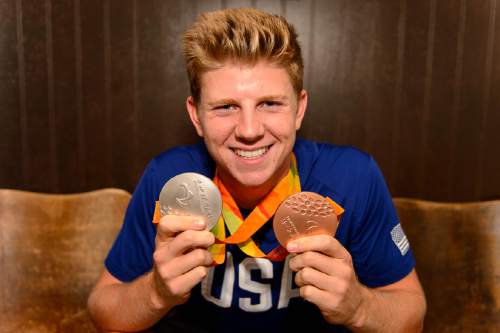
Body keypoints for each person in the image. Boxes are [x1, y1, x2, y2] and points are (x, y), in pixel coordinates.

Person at [87, 7, 426, 333]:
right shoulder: (170, 178)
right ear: (196, 116)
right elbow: (103, 309)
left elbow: (412, 316)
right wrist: (156, 293)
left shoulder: (353, 177)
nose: (249, 130)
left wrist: (358, 307)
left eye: (270, 103)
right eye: (225, 107)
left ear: (299, 109)